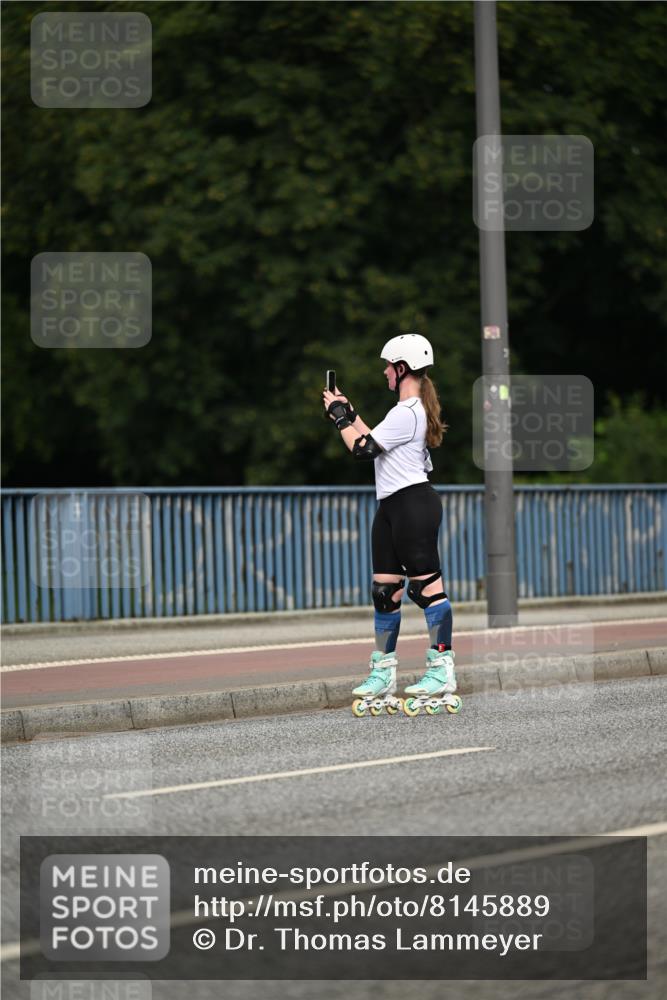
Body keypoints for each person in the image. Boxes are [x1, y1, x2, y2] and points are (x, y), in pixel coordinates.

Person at [322, 333, 457, 712]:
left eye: (388, 366)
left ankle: (442, 667)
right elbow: (374, 438)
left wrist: (337, 420)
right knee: (386, 592)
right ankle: (383, 671)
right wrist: (350, 412)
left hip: (413, 504)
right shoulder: (405, 412)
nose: (384, 372)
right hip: (391, 506)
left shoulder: (408, 411)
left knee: (427, 588)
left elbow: (362, 449)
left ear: (401, 369)